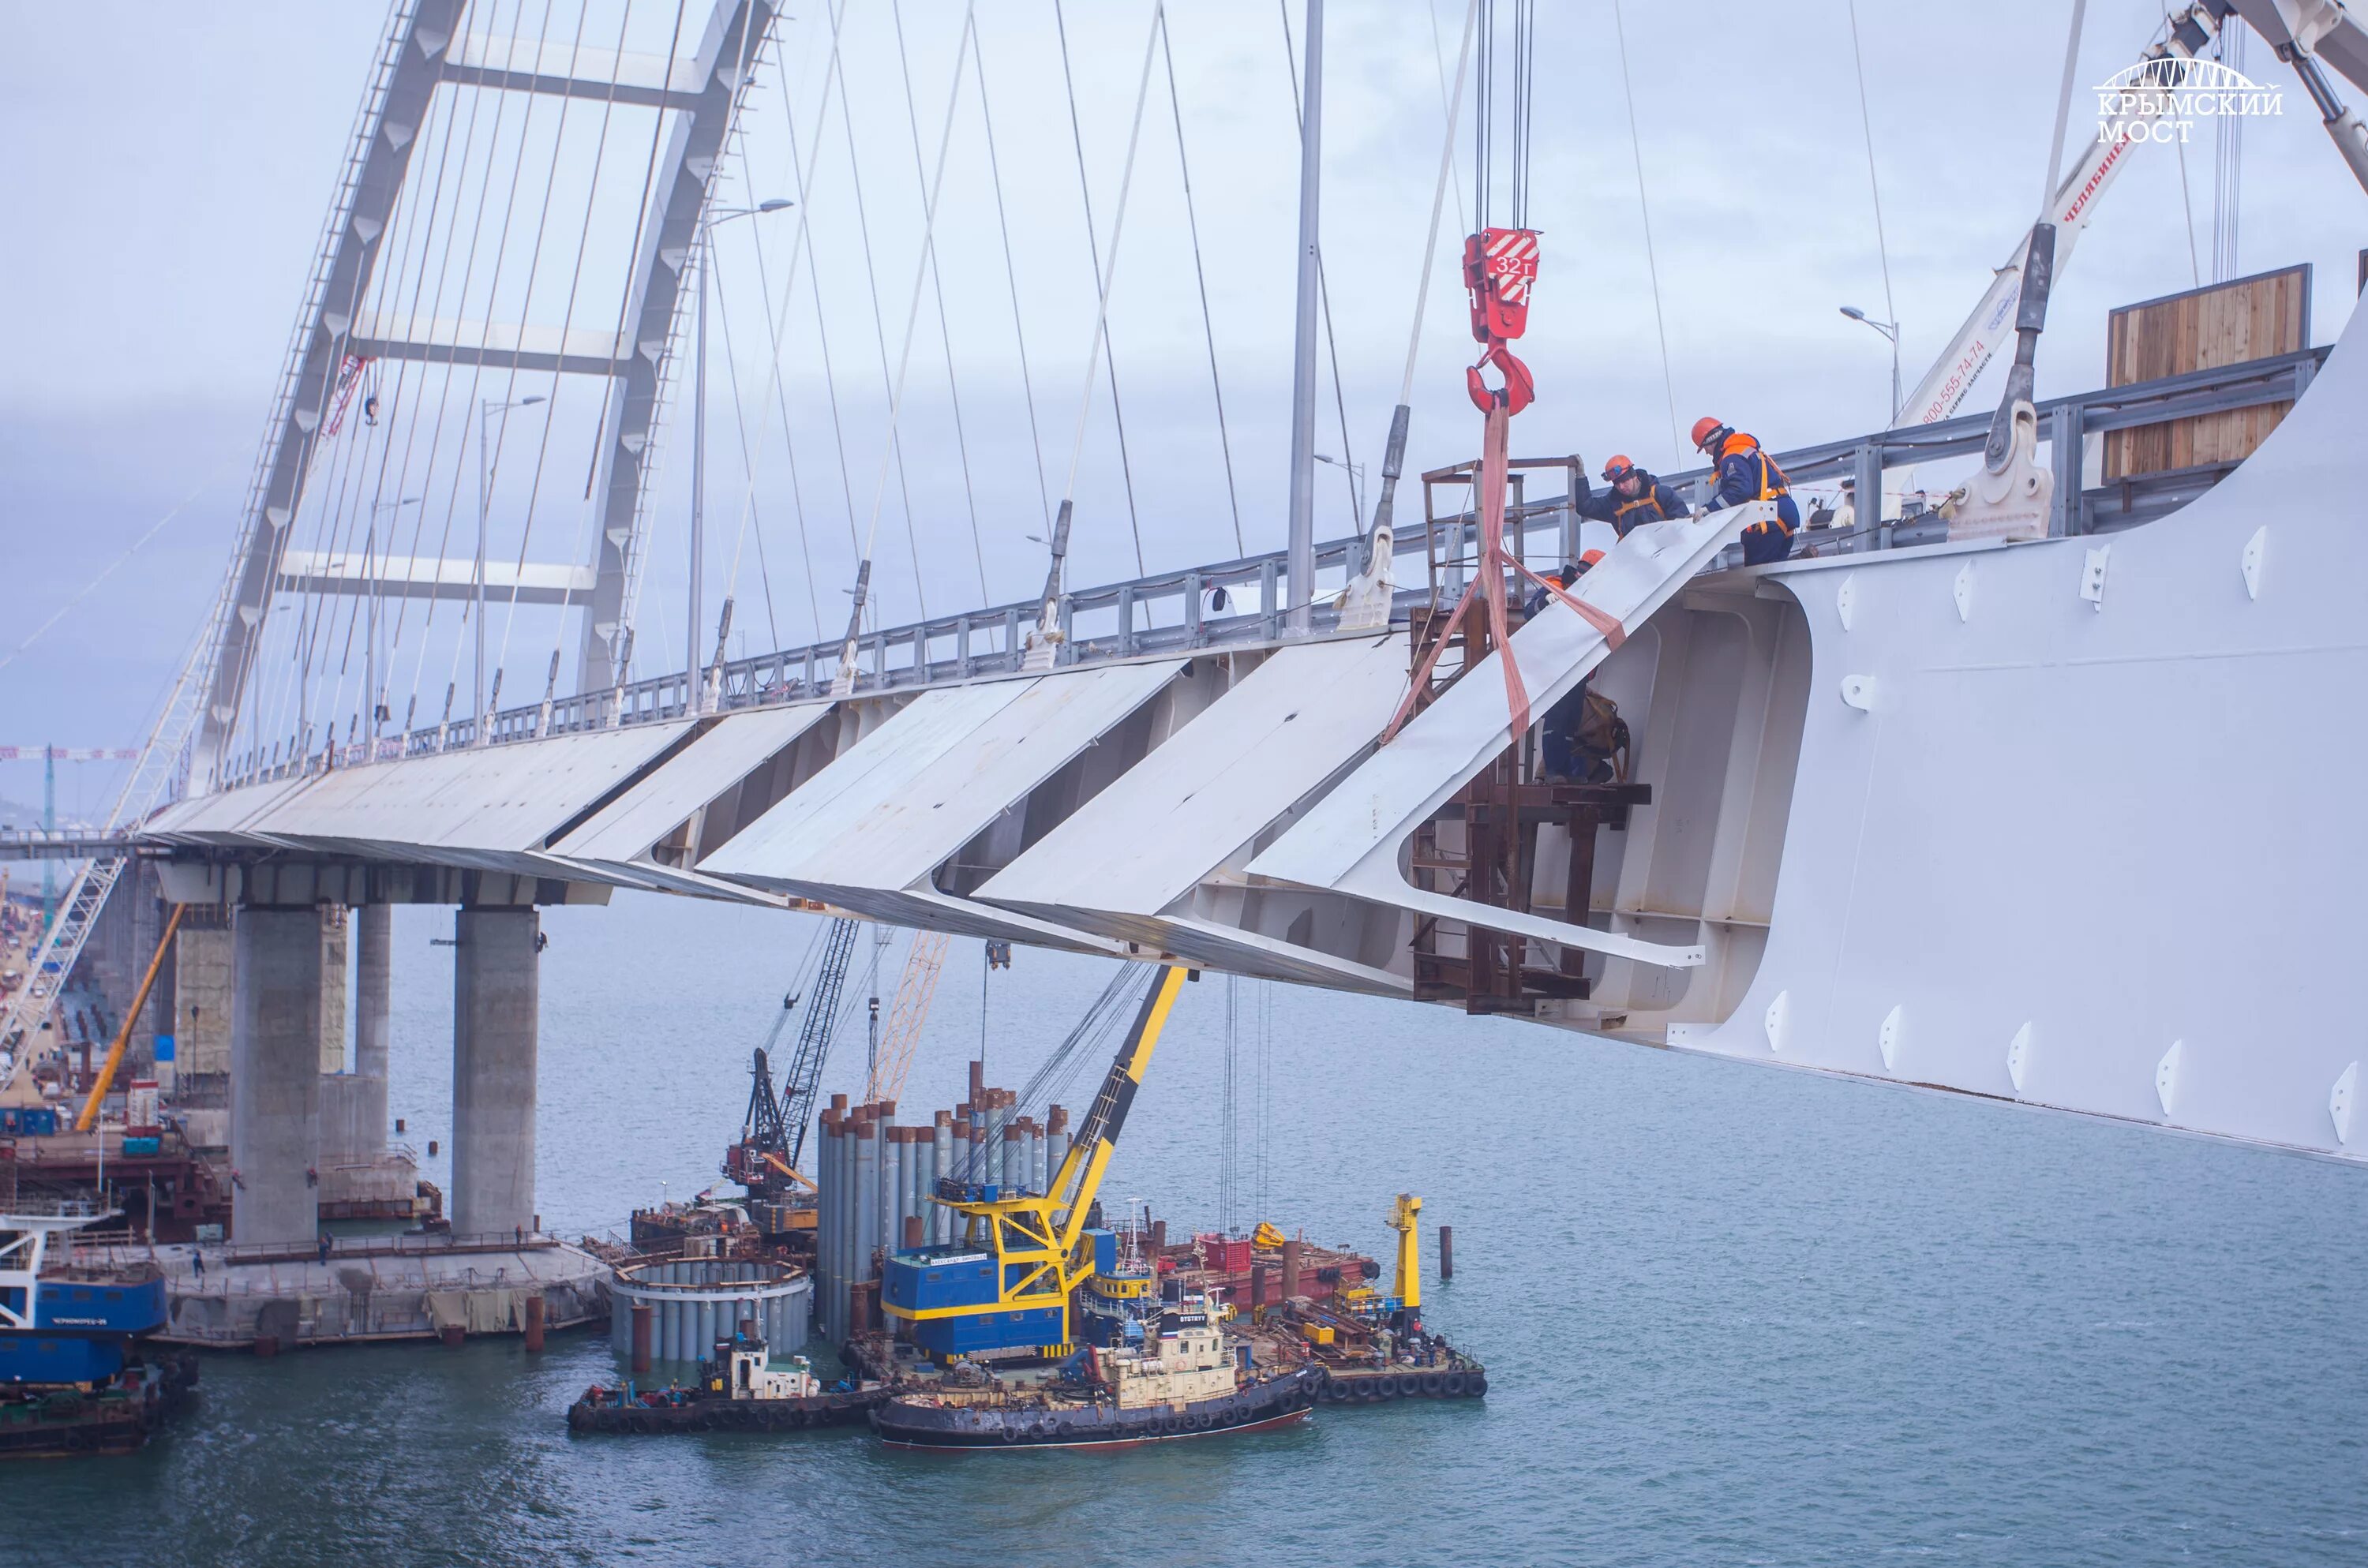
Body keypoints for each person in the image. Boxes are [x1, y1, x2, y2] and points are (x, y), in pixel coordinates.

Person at [1692, 417, 1800, 566]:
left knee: (1759, 576)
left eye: (1705, 447)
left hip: (1767, 520)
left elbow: (1739, 490)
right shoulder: (1745, 449)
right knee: (1777, 574)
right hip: (1782, 512)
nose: (1707, 453)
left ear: (1712, 440)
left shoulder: (1732, 457)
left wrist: (1709, 509)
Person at [1583, 454, 1688, 534]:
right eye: (1616, 483)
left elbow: (1683, 527)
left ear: (1634, 476)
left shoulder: (1662, 494)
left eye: (1624, 481)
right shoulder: (1613, 503)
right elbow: (1585, 507)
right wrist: (1580, 476)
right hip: (1634, 559)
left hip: (1667, 554)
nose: (1621, 487)